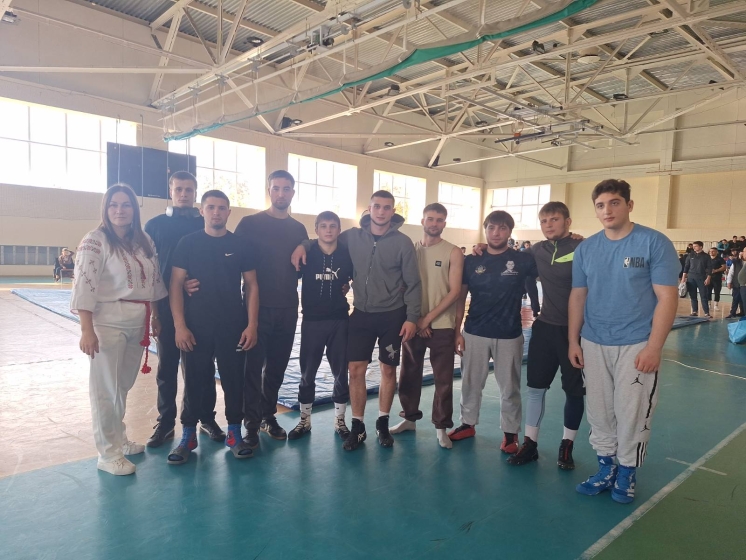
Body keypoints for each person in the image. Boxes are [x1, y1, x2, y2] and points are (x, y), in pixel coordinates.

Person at [569, 179, 679, 504]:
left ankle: (627, 471)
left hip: (636, 344)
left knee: (632, 411)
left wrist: (654, 347)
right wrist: (573, 341)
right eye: (600, 205)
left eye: (615, 202)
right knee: (599, 410)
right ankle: (606, 467)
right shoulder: (586, 249)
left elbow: (667, 298)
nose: (607, 210)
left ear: (629, 205)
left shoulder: (654, 243)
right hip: (593, 341)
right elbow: (578, 296)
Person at [292, 190, 421, 451]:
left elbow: (413, 283)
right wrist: (303, 244)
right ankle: (357, 426)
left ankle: (382, 423)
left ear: (393, 211)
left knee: (388, 370)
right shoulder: (352, 236)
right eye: (377, 206)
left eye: (387, 207)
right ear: (369, 209)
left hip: (392, 314)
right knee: (354, 370)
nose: (381, 212)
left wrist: (412, 318)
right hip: (361, 313)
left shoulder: (403, 242)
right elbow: (324, 237)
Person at [70, 184, 167, 476]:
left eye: (126, 205)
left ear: (134, 210)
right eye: (114, 204)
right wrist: (86, 329)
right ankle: (108, 453)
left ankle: (119, 438)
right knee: (106, 389)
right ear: (106, 208)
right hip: (107, 320)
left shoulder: (144, 241)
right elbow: (84, 285)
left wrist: (156, 316)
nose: (120, 210)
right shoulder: (95, 240)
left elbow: (154, 281)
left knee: (122, 385)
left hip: (139, 319)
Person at [167, 190, 259, 464]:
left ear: (229, 212)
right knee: (194, 381)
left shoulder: (241, 244)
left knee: (234, 381)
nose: (216, 212)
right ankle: (187, 436)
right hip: (196, 327)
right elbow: (175, 284)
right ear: (202, 211)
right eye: (211, 207)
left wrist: (252, 325)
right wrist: (180, 326)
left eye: (221, 208)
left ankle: (234, 434)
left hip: (232, 326)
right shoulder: (188, 243)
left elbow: (252, 286)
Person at [144, 171, 223, 448]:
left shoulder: (206, 222)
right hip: (167, 308)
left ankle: (206, 418)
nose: (183, 194)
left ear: (195, 193)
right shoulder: (155, 226)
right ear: (170, 191)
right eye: (178, 189)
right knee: (167, 367)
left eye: (189, 190)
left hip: (201, 308)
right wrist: (154, 313)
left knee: (203, 368)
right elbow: (150, 272)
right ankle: (165, 422)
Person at [450, 210, 538, 455]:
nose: (496, 233)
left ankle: (510, 433)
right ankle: (467, 424)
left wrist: (574, 239)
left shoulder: (523, 260)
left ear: (510, 231)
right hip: (475, 330)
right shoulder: (471, 260)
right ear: (485, 230)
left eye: (502, 228)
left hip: (509, 333)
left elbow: (551, 263)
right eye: (491, 228)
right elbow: (460, 297)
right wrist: (457, 331)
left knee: (509, 387)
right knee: (470, 382)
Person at [505, 202, 584, 470]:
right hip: (546, 327)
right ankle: (530, 444)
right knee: (536, 387)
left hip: (577, 331)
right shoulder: (537, 251)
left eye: (554, 219)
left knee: (574, 391)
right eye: (544, 221)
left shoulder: (582, 247)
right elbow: (507, 257)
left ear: (568, 221)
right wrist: (481, 248)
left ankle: (567, 445)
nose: (548, 225)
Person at [235, 170, 308, 447]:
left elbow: (310, 259)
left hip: (287, 308)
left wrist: (305, 244)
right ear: (269, 191)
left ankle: (267, 416)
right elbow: (230, 258)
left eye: (286, 189)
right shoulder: (250, 223)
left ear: (293, 193)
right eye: (276, 188)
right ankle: (251, 424)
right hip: (256, 309)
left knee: (276, 368)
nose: (281, 193)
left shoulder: (298, 229)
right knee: (252, 369)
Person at [389, 203, 464, 449]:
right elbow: (402, 285)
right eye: (430, 219)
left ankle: (441, 427)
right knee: (409, 373)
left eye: (439, 220)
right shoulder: (411, 250)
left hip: (441, 324)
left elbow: (455, 292)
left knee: (443, 378)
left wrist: (427, 319)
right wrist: (417, 320)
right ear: (422, 221)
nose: (434, 224)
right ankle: (409, 418)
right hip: (413, 322)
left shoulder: (453, 252)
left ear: (444, 223)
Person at [288, 211, 353, 441]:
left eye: (332, 226)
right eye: (323, 226)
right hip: (312, 321)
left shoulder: (346, 253)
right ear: (316, 229)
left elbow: (355, 277)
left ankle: (340, 420)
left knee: (341, 374)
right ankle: (304, 420)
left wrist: (347, 285)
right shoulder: (307, 252)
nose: (328, 230)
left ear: (339, 229)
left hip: (339, 321)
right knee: (307, 373)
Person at [682, 241, 712, 318]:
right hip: (691, 278)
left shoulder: (706, 256)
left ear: (701, 247)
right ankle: (694, 311)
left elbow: (709, 268)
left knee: (703, 295)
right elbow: (686, 267)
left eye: (696, 246)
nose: (694, 248)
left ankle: (706, 313)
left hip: (702, 277)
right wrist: (683, 278)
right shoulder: (690, 255)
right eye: (693, 246)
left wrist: (708, 278)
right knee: (693, 295)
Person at [726, 249, 745, 318]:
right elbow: (731, 273)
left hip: (744, 285)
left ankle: (743, 312)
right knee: (735, 298)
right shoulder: (736, 263)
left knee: (743, 299)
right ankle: (732, 313)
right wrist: (729, 282)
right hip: (737, 284)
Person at [708, 247, 726, 312]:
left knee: (717, 292)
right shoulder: (707, 258)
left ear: (716, 252)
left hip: (717, 278)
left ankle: (716, 305)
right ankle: (709, 305)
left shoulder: (720, 259)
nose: (711, 252)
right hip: (708, 278)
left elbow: (724, 267)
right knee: (708, 291)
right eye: (710, 251)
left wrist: (716, 270)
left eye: (713, 251)